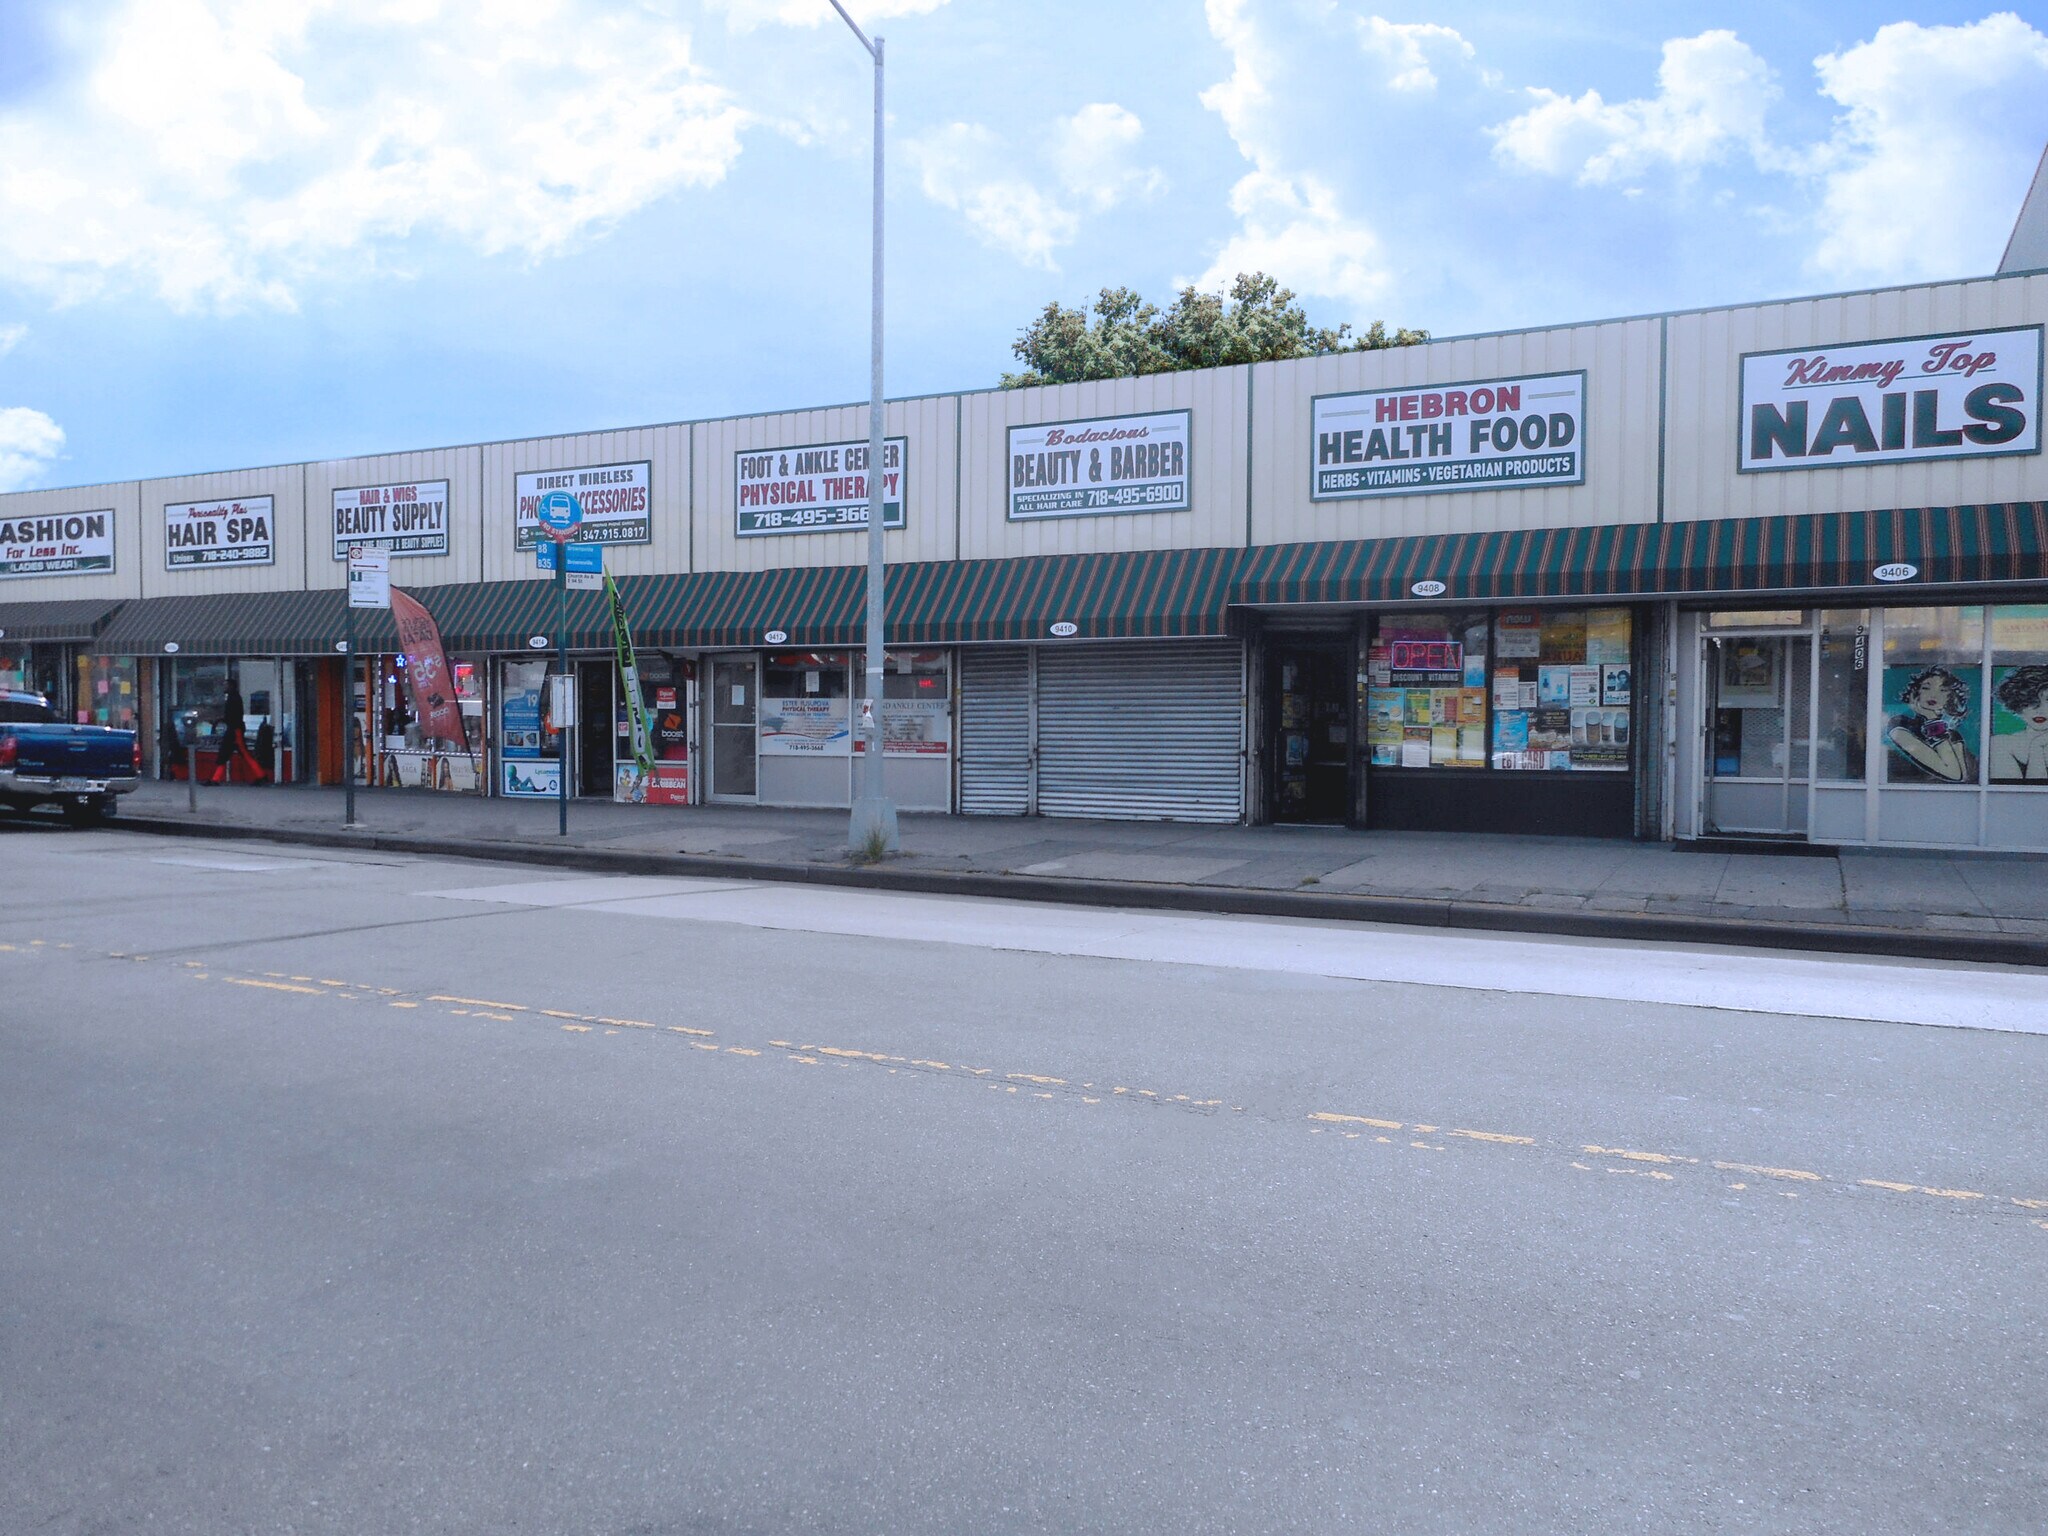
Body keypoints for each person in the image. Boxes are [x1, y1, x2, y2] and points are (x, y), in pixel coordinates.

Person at [1886, 666, 1975, 783]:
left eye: (1943, 690)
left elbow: (1960, 776)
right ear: (1916, 693)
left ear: (1951, 697)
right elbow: (1953, 773)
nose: (1933, 695)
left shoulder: (1952, 735)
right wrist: (1931, 719)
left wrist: (1932, 719)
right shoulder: (1900, 724)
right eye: (1926, 688)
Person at [1991, 665, 2048, 782]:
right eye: (2030, 702)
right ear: (2017, 704)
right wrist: (2036, 747)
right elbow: (2021, 798)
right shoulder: (2001, 744)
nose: (2039, 710)